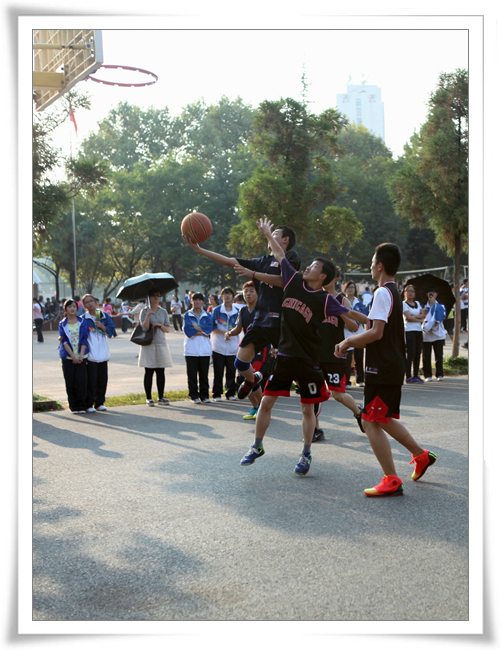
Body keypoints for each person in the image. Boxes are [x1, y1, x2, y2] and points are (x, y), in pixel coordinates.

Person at [237, 218, 362, 476]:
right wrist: (268, 234)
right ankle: (257, 446)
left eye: (314, 266)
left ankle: (306, 453)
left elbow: (350, 314)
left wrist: (375, 321)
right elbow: (279, 254)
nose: (308, 267)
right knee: (266, 403)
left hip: (307, 362)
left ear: (322, 276)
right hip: (284, 357)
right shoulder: (293, 280)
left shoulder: (325, 300)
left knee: (307, 409)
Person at [335, 243, 437, 497]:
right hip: (388, 364)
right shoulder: (391, 292)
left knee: (370, 420)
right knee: (381, 418)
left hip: (382, 366)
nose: (370, 266)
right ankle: (421, 455)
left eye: (372, 262)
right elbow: (374, 328)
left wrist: (347, 342)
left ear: (380, 266)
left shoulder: (382, 292)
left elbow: (376, 333)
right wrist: (349, 321)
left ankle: (391, 479)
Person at [183, 221, 301, 401]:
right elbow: (229, 261)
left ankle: (310, 391)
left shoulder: (290, 256)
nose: (270, 234)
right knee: (240, 362)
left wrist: (253, 273)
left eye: (275, 232)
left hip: (281, 320)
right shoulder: (261, 261)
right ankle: (253, 379)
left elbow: (284, 281)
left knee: (295, 368)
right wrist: (199, 249)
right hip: (260, 319)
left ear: (285, 239)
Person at [312, 277, 365, 443]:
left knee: (337, 394)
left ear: (335, 279)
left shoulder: (342, 300)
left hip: (334, 354)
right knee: (312, 393)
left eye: (327, 276)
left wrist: (341, 313)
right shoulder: (315, 297)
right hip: (315, 353)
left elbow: (355, 327)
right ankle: (315, 429)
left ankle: (358, 412)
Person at [225, 280, 273, 420]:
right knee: (244, 379)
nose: (248, 293)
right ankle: (255, 407)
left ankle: (263, 408)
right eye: (246, 291)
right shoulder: (243, 310)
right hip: (247, 349)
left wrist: (275, 346)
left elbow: (272, 329)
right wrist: (229, 333)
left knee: (251, 379)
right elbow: (238, 328)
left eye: (252, 291)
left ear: (258, 294)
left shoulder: (263, 309)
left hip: (261, 349)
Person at [81, 294, 116, 412]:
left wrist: (101, 326)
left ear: (96, 302)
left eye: (91, 301)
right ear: (84, 305)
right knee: (91, 381)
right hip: (90, 354)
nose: (90, 303)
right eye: (87, 302)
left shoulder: (103, 316)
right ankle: (88, 404)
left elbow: (111, 330)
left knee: (102, 380)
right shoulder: (83, 319)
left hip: (103, 353)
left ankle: (99, 403)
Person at [138, 289, 172, 406]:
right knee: (149, 371)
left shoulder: (163, 312)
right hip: (149, 344)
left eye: (158, 295)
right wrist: (148, 314)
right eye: (153, 295)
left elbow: (168, 329)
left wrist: (159, 325)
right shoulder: (144, 311)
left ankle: (161, 397)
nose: (156, 297)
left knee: (160, 371)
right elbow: (144, 327)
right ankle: (149, 397)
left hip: (161, 343)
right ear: (149, 298)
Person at [58, 299, 89, 414]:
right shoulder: (62, 324)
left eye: (74, 307)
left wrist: (80, 355)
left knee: (81, 382)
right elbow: (64, 341)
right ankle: (73, 406)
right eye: (69, 307)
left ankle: (82, 406)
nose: (72, 309)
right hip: (68, 357)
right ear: (65, 309)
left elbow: (84, 338)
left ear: (77, 308)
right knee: (70, 382)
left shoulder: (82, 322)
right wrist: (73, 356)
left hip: (81, 356)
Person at [183, 292, 213, 404]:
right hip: (191, 349)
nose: (197, 302)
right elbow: (188, 331)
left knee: (204, 375)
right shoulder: (187, 315)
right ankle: (194, 395)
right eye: (195, 299)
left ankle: (204, 396)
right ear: (191, 301)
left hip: (204, 349)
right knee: (192, 375)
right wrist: (202, 331)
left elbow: (209, 329)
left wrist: (196, 328)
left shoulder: (208, 315)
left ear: (203, 302)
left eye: (200, 300)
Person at [210, 286, 240, 401]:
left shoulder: (237, 311)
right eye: (225, 294)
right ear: (221, 296)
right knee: (218, 371)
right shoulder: (217, 310)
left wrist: (231, 333)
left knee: (231, 371)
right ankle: (217, 394)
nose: (227, 296)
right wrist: (225, 333)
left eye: (229, 294)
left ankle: (230, 393)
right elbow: (213, 327)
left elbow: (240, 327)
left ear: (233, 296)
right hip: (218, 345)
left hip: (233, 346)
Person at [342, 280, 366, 388]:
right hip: (346, 333)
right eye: (348, 287)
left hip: (358, 333)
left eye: (352, 287)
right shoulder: (342, 301)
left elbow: (363, 315)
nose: (350, 289)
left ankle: (360, 380)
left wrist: (353, 322)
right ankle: (346, 381)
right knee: (347, 359)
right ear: (345, 289)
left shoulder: (358, 302)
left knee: (359, 357)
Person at [402, 285, 426, 384]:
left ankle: (416, 375)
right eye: (408, 291)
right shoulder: (404, 304)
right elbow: (408, 318)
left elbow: (423, 315)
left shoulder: (417, 303)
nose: (410, 293)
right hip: (409, 330)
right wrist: (418, 318)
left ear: (415, 294)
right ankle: (408, 376)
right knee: (411, 353)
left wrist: (414, 317)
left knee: (417, 353)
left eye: (412, 291)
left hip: (418, 330)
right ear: (405, 293)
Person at [422, 288, 447, 382]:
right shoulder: (423, 306)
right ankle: (427, 375)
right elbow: (421, 318)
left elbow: (442, 316)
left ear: (437, 294)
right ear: (427, 294)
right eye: (430, 293)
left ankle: (439, 373)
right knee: (426, 356)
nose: (431, 294)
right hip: (426, 335)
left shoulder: (441, 306)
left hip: (438, 334)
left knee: (439, 355)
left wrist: (434, 307)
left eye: (433, 293)